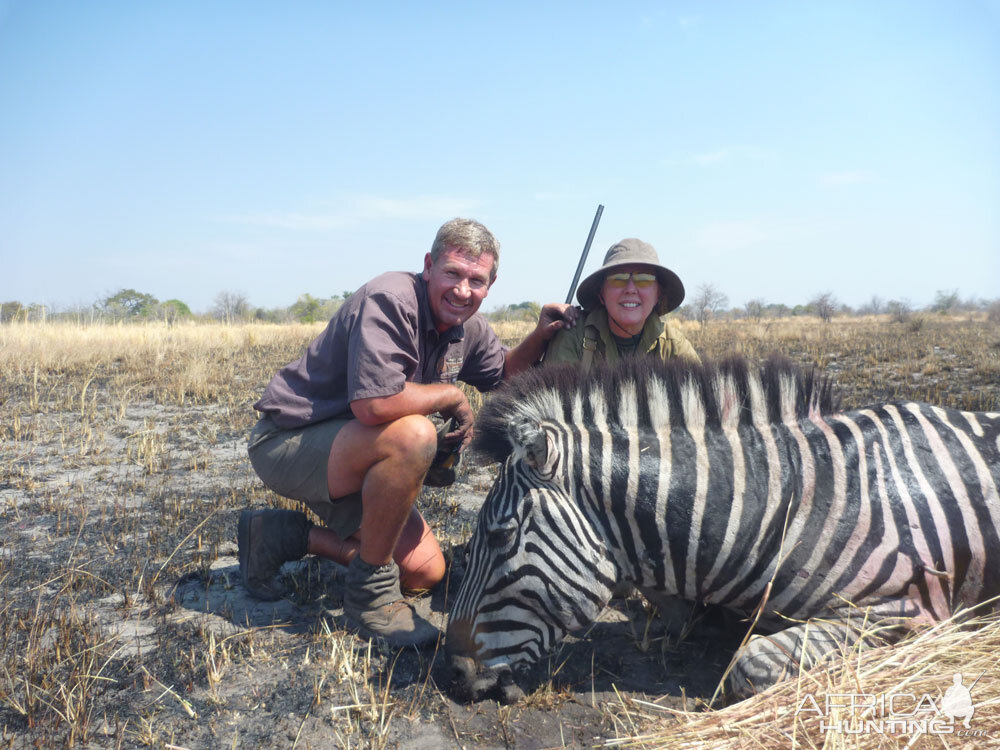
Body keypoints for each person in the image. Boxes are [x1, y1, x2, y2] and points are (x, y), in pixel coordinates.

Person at [240, 218, 577, 647]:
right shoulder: (391, 297)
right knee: (415, 435)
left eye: (476, 280)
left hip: (358, 453)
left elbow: (504, 375)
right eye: (452, 273)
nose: (462, 289)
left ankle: (282, 536)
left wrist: (542, 334)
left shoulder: (468, 327)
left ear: (491, 284)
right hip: (290, 442)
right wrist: (449, 395)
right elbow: (374, 405)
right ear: (428, 265)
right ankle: (371, 600)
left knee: (425, 573)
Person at [544, 238, 699, 367]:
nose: (630, 289)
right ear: (601, 293)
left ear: (658, 294)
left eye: (643, 279)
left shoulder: (673, 345)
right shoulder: (574, 336)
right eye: (618, 279)